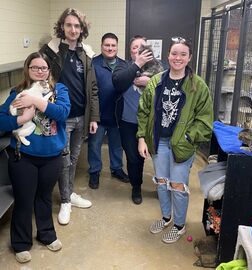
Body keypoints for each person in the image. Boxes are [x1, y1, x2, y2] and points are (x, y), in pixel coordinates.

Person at [137, 37, 213, 243]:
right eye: (174, 53)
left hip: (182, 144)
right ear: (168, 55)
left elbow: (205, 121)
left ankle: (179, 225)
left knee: (178, 185)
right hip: (159, 141)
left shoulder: (198, 86)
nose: (177, 58)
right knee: (162, 182)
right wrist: (142, 138)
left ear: (189, 58)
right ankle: (166, 217)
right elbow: (143, 111)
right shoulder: (156, 81)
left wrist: (188, 137)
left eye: (182, 54)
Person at [0, 52, 70, 263]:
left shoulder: (59, 90)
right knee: (24, 200)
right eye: (35, 67)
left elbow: (63, 113)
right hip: (23, 156)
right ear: (27, 70)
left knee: (44, 197)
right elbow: (1, 122)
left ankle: (46, 234)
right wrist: (23, 118)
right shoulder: (17, 92)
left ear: (49, 71)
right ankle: (20, 243)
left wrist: (36, 101)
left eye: (44, 68)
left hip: (52, 156)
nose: (40, 71)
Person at [39, 8, 100, 225]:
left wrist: (93, 118)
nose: (73, 29)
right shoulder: (52, 51)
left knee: (73, 159)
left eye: (77, 26)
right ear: (62, 27)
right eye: (69, 25)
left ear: (82, 29)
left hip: (81, 116)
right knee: (63, 161)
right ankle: (65, 200)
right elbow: (43, 78)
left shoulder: (86, 53)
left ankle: (70, 193)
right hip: (61, 117)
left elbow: (92, 88)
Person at [112, 35, 154, 204]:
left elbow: (166, 86)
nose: (137, 50)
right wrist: (137, 64)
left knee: (151, 157)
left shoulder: (158, 67)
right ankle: (136, 187)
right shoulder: (123, 66)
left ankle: (167, 188)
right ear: (130, 52)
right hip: (128, 122)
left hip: (150, 123)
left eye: (141, 47)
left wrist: (149, 81)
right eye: (134, 48)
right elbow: (118, 83)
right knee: (133, 157)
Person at [88, 33, 129, 189]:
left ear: (117, 47)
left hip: (117, 116)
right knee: (94, 145)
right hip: (98, 116)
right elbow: (90, 91)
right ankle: (94, 171)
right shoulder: (93, 64)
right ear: (101, 46)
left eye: (113, 45)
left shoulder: (124, 65)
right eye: (107, 45)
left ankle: (116, 169)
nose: (110, 48)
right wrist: (93, 115)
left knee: (117, 145)